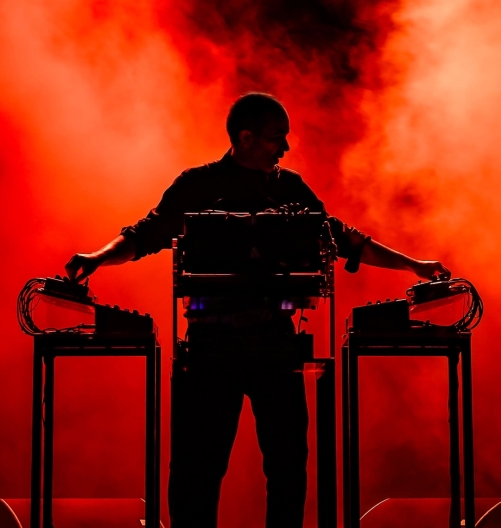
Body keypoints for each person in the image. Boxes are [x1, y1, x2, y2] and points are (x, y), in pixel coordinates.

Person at [65, 93, 449, 528]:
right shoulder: (197, 184)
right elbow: (144, 234)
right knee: (197, 472)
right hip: (212, 346)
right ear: (244, 138)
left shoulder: (290, 187)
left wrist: (413, 265)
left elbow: (343, 238)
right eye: (275, 138)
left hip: (276, 345)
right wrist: (97, 258)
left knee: (287, 469)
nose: (284, 148)